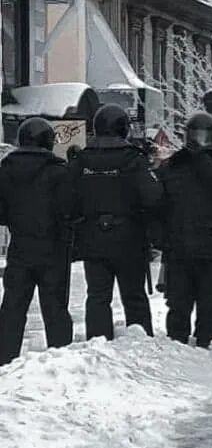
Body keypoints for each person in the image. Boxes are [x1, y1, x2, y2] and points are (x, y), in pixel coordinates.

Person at [68, 104, 163, 340]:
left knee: (98, 296)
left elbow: (67, 200)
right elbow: (153, 197)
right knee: (134, 295)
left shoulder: (82, 161)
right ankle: (140, 341)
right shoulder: (134, 160)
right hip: (129, 238)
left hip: (92, 237)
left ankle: (98, 343)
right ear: (124, 129)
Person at [157, 113, 212, 349]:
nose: (200, 140)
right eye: (195, 136)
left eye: (205, 136)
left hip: (210, 246)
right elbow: (160, 201)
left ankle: (205, 339)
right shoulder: (173, 165)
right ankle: (177, 339)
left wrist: (201, 157)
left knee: (209, 301)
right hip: (179, 245)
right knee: (178, 301)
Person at [0, 118, 74, 366]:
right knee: (55, 310)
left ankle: (4, 360)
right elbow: (69, 209)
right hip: (53, 248)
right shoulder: (59, 171)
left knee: (12, 308)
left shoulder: (6, 169)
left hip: (20, 246)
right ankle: (60, 361)